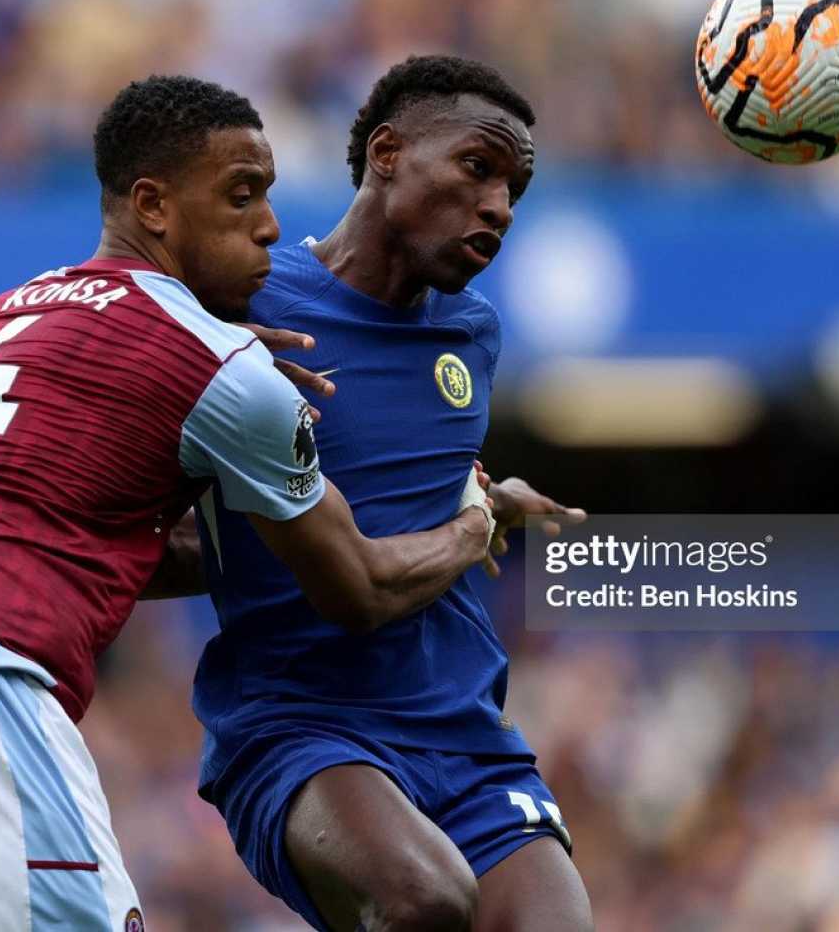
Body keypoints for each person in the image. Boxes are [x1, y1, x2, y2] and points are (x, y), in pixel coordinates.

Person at [0, 75, 496, 932]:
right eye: (240, 195)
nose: (269, 227)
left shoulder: (9, 311)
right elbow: (357, 587)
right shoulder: (220, 363)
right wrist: (476, 520)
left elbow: (89, 530)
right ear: (153, 205)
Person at [189, 56, 595, 931]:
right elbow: (174, 535)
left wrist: (481, 505)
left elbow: (414, 492)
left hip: (463, 730)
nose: (499, 207)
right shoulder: (241, 310)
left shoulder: (474, 333)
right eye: (479, 168)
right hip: (300, 727)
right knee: (422, 903)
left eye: (516, 189)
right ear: (386, 152)